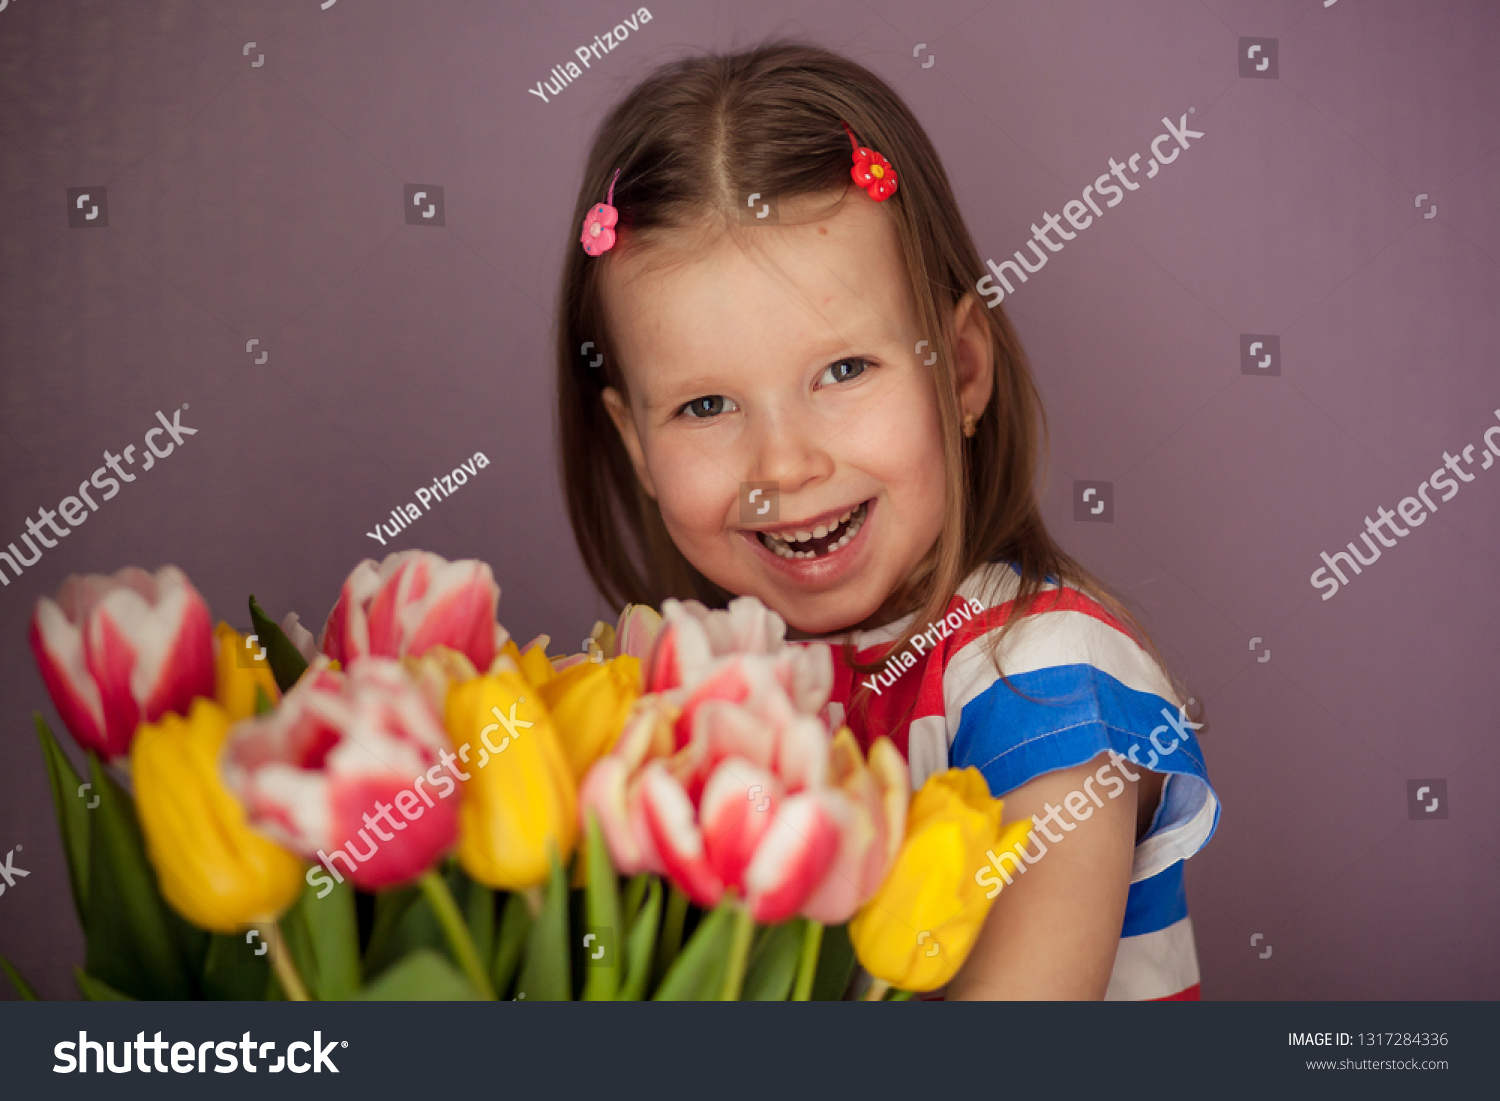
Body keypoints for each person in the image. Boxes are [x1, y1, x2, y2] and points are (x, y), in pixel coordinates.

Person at [555, 41, 1218, 1000]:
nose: (784, 464)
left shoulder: (1043, 682)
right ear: (633, 446)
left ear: (963, 370)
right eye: (705, 407)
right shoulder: (697, 694)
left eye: (843, 371)